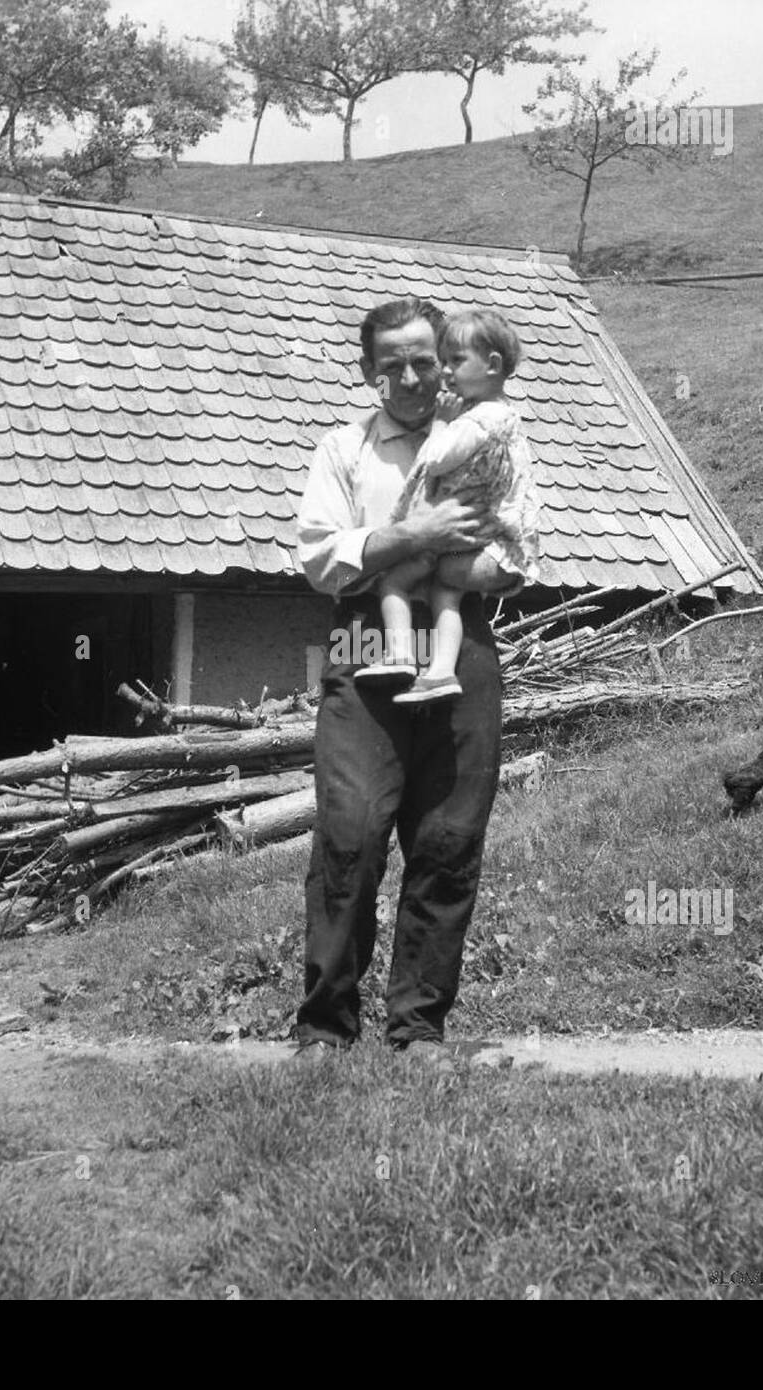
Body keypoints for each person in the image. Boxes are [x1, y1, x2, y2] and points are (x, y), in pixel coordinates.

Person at [294, 297, 517, 1057]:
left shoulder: (489, 435)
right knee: (350, 832)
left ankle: (418, 1025)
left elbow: (526, 543)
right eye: (394, 366)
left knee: (448, 837)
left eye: (427, 360)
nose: (414, 378)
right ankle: (325, 1025)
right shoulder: (343, 449)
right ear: (369, 373)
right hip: (364, 648)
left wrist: (486, 566)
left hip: (463, 645)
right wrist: (408, 536)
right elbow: (319, 558)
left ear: (447, 360)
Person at [357, 309, 540, 703]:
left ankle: (401, 653)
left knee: (395, 579)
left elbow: (438, 458)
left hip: (488, 549)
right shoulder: (501, 415)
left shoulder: (480, 421)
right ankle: (440, 672)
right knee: (446, 590)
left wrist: (441, 421)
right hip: (498, 547)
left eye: (456, 360)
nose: (446, 371)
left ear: (492, 365)